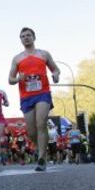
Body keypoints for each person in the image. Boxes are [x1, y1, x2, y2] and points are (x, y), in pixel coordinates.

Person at [9, 27, 60, 171]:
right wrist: (19, 78)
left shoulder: (44, 54)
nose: (26, 38)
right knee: (31, 132)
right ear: (20, 40)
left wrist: (55, 75)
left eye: (28, 35)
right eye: (23, 36)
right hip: (26, 96)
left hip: (43, 93)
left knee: (40, 122)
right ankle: (41, 148)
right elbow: (10, 79)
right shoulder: (17, 58)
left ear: (34, 37)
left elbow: (55, 69)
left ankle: (42, 158)